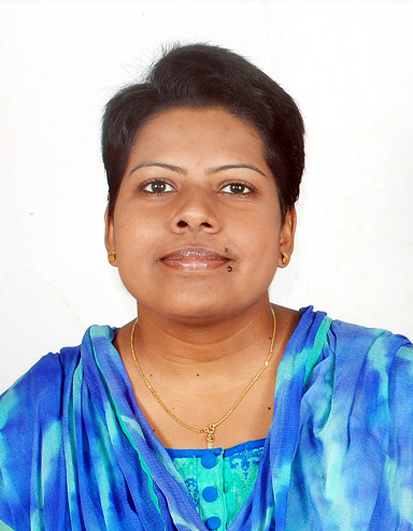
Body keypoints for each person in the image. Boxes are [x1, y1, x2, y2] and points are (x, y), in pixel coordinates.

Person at [0, 43, 412, 531]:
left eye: (236, 187)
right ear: (111, 230)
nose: (194, 212)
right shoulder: (36, 423)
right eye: (157, 185)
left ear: (286, 230)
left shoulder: (390, 394)